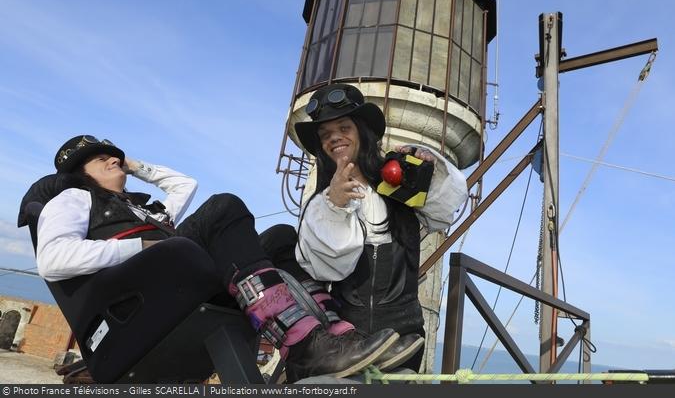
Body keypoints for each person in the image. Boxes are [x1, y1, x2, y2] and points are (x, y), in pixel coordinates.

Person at [35, 135, 400, 381]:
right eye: (102, 159)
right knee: (224, 206)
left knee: (280, 238)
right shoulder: (74, 199)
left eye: (113, 155)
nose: (113, 159)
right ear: (80, 174)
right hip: (142, 302)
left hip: (174, 279)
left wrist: (133, 165)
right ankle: (300, 344)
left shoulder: (140, 208)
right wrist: (139, 247)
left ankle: (329, 335)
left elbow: (185, 185)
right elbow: (52, 259)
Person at [291, 83, 469, 371]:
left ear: (362, 131)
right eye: (325, 135)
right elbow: (326, 269)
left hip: (405, 337)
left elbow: (444, 211)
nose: (334, 137)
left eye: (344, 128)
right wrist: (334, 205)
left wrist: (428, 168)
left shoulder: (399, 185)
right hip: (349, 340)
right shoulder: (321, 205)